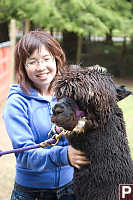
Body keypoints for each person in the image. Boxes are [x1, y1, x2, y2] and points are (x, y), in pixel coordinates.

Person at [3, 30, 90, 200]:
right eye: (32, 62)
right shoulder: (16, 103)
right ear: (23, 67)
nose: (41, 67)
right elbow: (25, 155)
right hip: (32, 193)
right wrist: (64, 155)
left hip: (71, 188)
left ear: (56, 60)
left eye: (46, 59)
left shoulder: (69, 95)